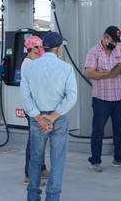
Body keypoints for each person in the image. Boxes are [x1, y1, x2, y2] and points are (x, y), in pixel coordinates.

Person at [20, 31, 78, 201]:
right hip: (58, 118)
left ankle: (32, 197)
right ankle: (53, 197)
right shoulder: (66, 68)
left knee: (36, 159)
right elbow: (71, 96)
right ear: (59, 49)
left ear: (44, 47)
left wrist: (39, 117)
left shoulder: (30, 67)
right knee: (57, 160)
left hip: (37, 118)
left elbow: (25, 96)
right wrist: (52, 117)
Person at [85, 25, 121, 172]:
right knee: (98, 130)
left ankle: (120, 158)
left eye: (117, 41)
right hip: (101, 98)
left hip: (118, 97)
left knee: (119, 130)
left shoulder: (118, 49)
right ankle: (95, 161)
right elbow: (89, 73)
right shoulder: (94, 53)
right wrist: (108, 75)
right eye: (113, 41)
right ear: (105, 38)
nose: (116, 44)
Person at [21, 35, 48, 185]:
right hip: (33, 108)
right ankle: (29, 175)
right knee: (34, 141)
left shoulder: (34, 62)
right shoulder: (28, 64)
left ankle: (41, 168)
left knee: (41, 139)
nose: (41, 50)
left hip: (38, 107)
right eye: (39, 47)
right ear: (33, 48)